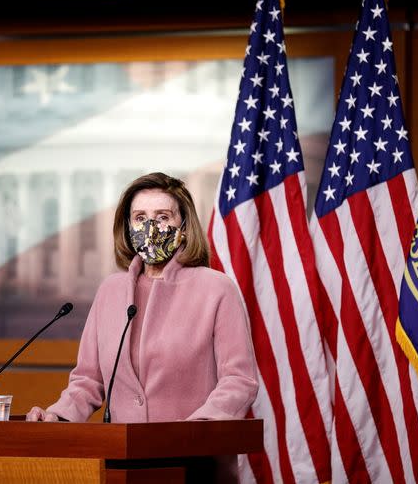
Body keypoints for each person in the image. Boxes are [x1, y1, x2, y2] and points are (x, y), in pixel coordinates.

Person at [26, 172, 258, 428]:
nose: (150, 227)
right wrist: (57, 415)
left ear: (183, 225)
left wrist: (197, 427)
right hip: (121, 459)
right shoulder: (110, 291)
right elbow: (88, 380)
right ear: (127, 227)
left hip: (193, 457)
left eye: (162, 217)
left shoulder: (216, 289)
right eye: (140, 218)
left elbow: (239, 380)